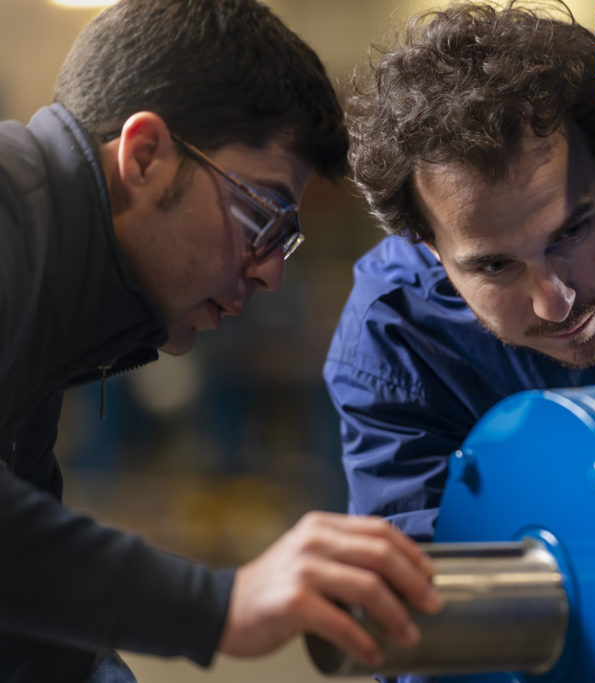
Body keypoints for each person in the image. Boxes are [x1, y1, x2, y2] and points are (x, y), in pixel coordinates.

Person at [0, 1, 442, 680]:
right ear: (145, 155)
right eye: (261, 214)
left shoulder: (50, 289)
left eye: (285, 240)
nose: (270, 271)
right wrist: (218, 602)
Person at [323, 1, 595, 541]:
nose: (556, 302)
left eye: (571, 232)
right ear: (428, 247)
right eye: (494, 265)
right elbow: (428, 594)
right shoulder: (398, 342)